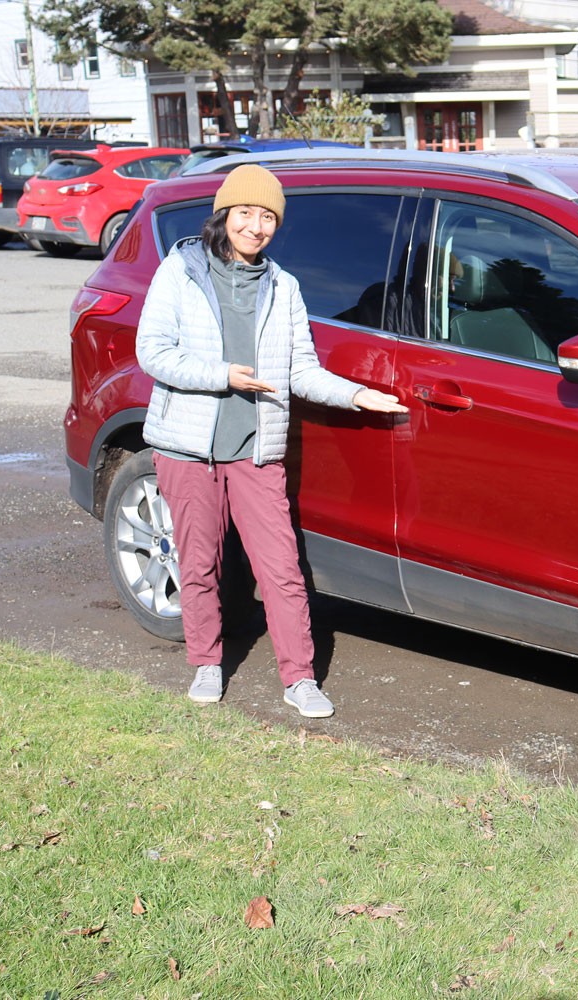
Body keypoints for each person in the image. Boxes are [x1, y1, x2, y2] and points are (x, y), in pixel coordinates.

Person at [135, 164, 407, 718]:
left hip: (257, 449)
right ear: (224, 215)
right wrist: (223, 374)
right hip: (188, 446)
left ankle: (299, 678)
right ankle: (207, 663)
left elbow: (301, 371)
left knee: (281, 568)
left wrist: (357, 395)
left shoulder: (283, 288)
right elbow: (153, 352)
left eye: (267, 217)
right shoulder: (179, 272)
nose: (256, 227)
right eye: (246, 214)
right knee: (199, 560)